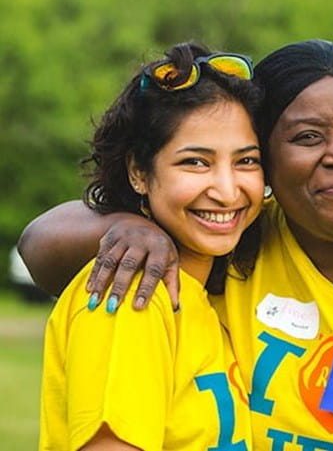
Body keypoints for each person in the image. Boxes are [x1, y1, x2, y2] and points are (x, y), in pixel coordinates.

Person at [20, 39, 333, 450]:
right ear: (269, 163)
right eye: (307, 137)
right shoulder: (219, 246)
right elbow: (40, 244)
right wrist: (133, 229)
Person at [36, 42, 264, 450]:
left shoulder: (213, 294)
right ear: (139, 172)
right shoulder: (128, 291)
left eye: (245, 161)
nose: (228, 190)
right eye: (195, 162)